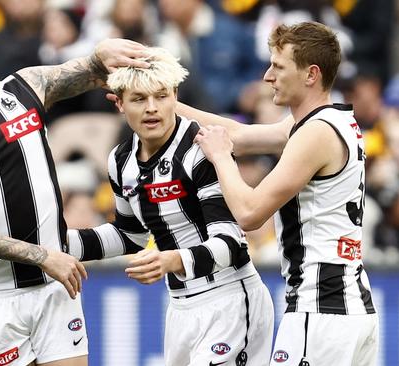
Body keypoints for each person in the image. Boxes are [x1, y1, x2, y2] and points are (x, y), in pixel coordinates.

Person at [0, 10, 148, 366]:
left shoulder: (25, 87)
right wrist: (43, 256)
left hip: (55, 286)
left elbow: (90, 68)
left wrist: (104, 53)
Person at [68, 47, 274, 366]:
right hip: (179, 307)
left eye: (161, 96)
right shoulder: (120, 160)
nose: (152, 108)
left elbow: (231, 244)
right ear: (119, 103)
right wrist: (58, 244)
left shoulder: (201, 148)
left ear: (175, 95)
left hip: (230, 299)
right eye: (139, 99)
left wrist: (172, 260)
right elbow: (129, 234)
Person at [188, 22, 378, 365]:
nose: (266, 77)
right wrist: (165, 104)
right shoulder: (327, 122)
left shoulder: (315, 133)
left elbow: (249, 212)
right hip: (348, 308)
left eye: (278, 66)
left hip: (319, 309)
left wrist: (219, 157)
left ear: (311, 74)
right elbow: (237, 134)